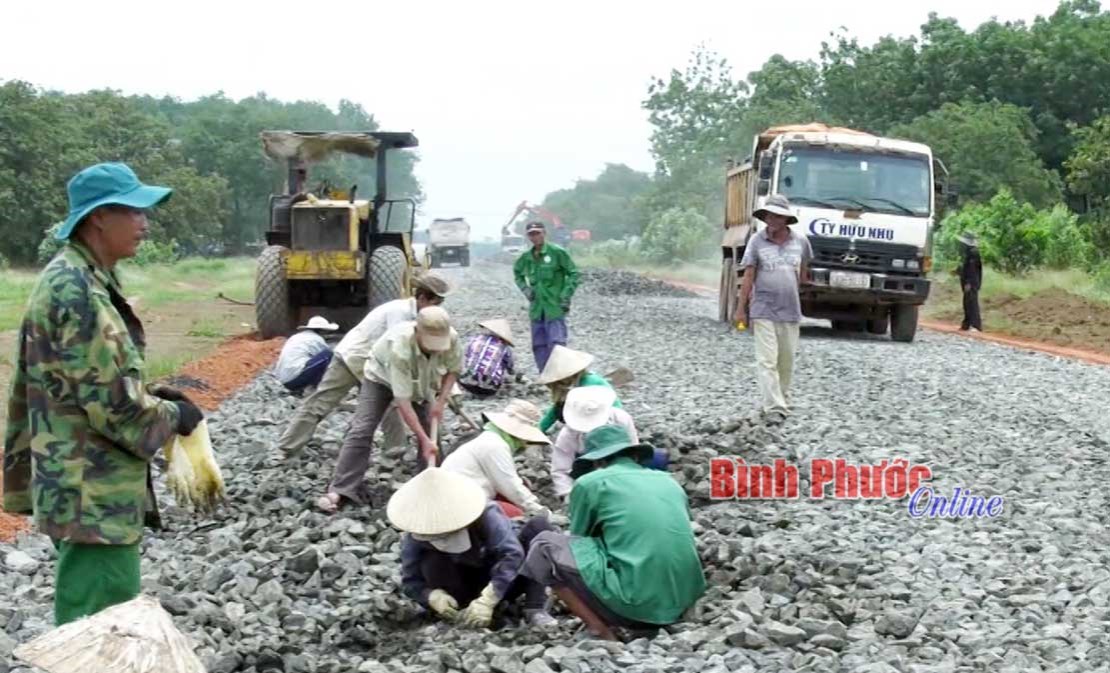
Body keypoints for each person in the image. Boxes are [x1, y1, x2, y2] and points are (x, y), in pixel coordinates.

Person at [2, 162, 205, 626]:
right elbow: (113, 406)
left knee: (95, 621)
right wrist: (173, 416)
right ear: (98, 217)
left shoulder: (85, 277)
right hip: (91, 490)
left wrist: (153, 392)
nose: (145, 222)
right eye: (134, 211)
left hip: (85, 483)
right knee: (99, 629)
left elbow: (82, 380)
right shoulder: (76, 289)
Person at [521, 425, 705, 641]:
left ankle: (601, 630)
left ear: (597, 461)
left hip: (635, 606)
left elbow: (579, 539)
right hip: (682, 599)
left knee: (544, 545)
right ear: (635, 455)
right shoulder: (668, 481)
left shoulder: (590, 482)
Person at [276, 273, 451, 456]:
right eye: (435, 304)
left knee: (390, 400)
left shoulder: (417, 317)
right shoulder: (400, 313)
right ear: (422, 297)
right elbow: (397, 349)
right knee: (322, 402)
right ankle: (287, 446)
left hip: (373, 361)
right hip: (354, 357)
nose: (436, 310)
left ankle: (395, 448)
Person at [316, 306, 462, 513]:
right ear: (417, 332)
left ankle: (433, 485)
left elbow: (453, 370)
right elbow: (402, 402)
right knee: (362, 429)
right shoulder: (400, 347)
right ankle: (341, 489)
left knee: (431, 427)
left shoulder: (451, 338)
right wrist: (423, 439)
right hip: (380, 379)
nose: (437, 349)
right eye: (431, 345)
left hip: (423, 380)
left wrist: (440, 402)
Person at [389, 468, 557, 629]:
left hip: (499, 578)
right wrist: (431, 596)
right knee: (430, 559)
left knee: (539, 527)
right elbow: (410, 581)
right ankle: (463, 610)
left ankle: (535, 608)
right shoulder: (417, 532)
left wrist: (489, 598)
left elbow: (512, 554)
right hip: (458, 588)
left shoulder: (485, 514)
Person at [734, 194, 812, 424]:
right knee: (767, 360)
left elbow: (804, 273)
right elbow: (748, 275)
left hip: (790, 310)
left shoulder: (801, 242)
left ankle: (783, 399)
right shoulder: (756, 242)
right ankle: (774, 407)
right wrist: (741, 309)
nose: (773, 220)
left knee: (786, 361)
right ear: (765, 217)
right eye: (769, 215)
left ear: (786, 219)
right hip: (763, 308)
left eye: (778, 216)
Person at [442, 399, 551, 519]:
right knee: (514, 514)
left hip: (459, 495)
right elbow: (510, 485)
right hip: (461, 502)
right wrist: (540, 510)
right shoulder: (495, 445)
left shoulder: (490, 439)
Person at [551, 386, 640, 501]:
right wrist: (571, 496)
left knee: (658, 458)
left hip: (621, 462)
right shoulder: (568, 434)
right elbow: (560, 470)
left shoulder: (621, 418)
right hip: (589, 469)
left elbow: (634, 449)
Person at [513, 221, 580, 372]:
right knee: (538, 345)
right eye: (531, 234)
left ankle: (560, 376)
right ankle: (545, 376)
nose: (535, 237)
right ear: (528, 236)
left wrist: (566, 295)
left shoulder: (557, 252)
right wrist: (526, 289)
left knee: (557, 344)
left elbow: (574, 274)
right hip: (537, 309)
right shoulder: (526, 257)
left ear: (544, 233)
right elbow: (517, 274)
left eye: (538, 233)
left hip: (554, 306)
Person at [535, 345, 621, 434]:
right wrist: (539, 429)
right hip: (588, 416)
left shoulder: (590, 382)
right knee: (560, 408)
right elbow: (554, 411)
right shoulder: (572, 385)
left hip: (608, 417)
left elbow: (612, 409)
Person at [272, 316, 338, 394]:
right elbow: (327, 363)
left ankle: (307, 387)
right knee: (328, 355)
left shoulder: (296, 337)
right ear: (321, 331)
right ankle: (318, 389)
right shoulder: (316, 339)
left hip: (282, 380)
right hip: (292, 380)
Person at [458, 319, 516, 397]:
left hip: (466, 383)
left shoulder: (474, 340)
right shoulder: (504, 348)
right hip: (489, 389)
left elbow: (466, 356)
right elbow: (510, 369)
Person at [958, 232, 983, 332]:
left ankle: (976, 325)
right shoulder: (968, 253)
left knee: (972, 303)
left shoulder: (973, 252)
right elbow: (966, 268)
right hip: (969, 282)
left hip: (972, 282)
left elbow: (972, 270)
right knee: (967, 303)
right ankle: (966, 324)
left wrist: (968, 282)